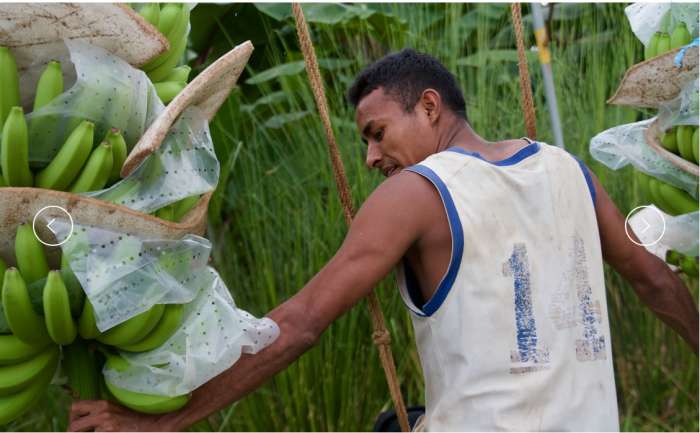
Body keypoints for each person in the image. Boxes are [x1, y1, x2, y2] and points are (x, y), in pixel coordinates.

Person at [68, 48, 699, 432]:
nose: (370, 156)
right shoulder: (567, 169)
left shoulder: (418, 192)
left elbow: (303, 321)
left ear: (429, 107)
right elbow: (655, 281)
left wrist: (167, 421)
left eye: (376, 132)